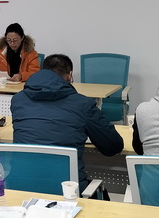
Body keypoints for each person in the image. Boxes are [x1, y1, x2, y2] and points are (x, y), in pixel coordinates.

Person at [11, 54, 123, 193]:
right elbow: (112, 146)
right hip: (67, 192)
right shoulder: (82, 104)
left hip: (19, 189)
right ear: (69, 76)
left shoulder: (18, 100)